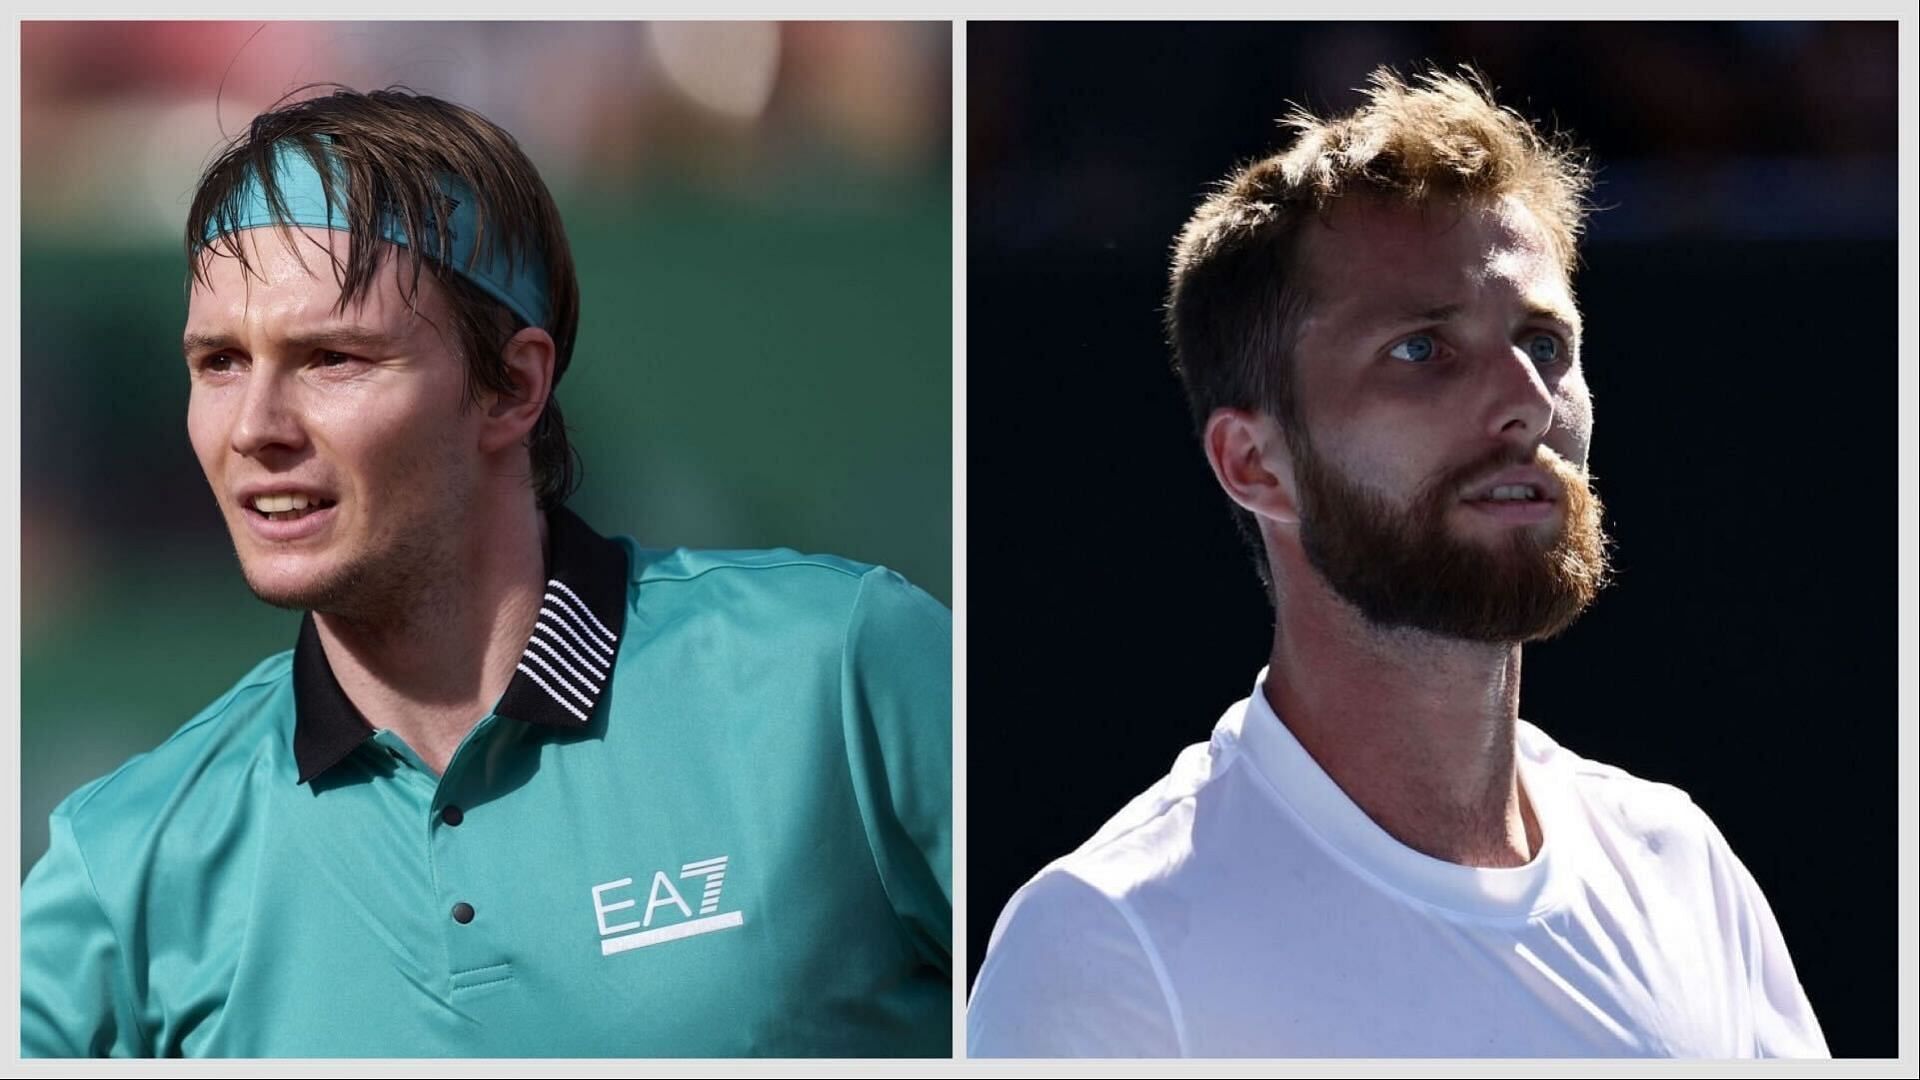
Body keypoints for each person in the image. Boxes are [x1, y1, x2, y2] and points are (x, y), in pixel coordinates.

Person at [20, 87, 952, 1058]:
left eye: (332, 357)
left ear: (513, 386)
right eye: (218, 362)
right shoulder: (122, 865)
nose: (254, 427)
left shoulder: (838, 675)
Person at [967, 67, 1825, 1058]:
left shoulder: (1684, 872)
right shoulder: (1105, 948)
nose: (1527, 401)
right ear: (1255, 463)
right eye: (1422, 351)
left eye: (1544, 342)